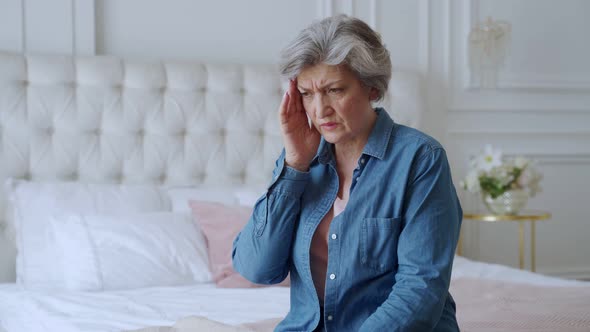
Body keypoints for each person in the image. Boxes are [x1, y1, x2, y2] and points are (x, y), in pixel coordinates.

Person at [232, 14, 462, 332]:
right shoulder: (299, 162)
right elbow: (256, 269)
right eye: (307, 94)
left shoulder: (421, 159)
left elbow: (421, 289)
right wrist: (294, 164)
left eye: (335, 90)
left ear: (371, 88)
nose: (319, 109)